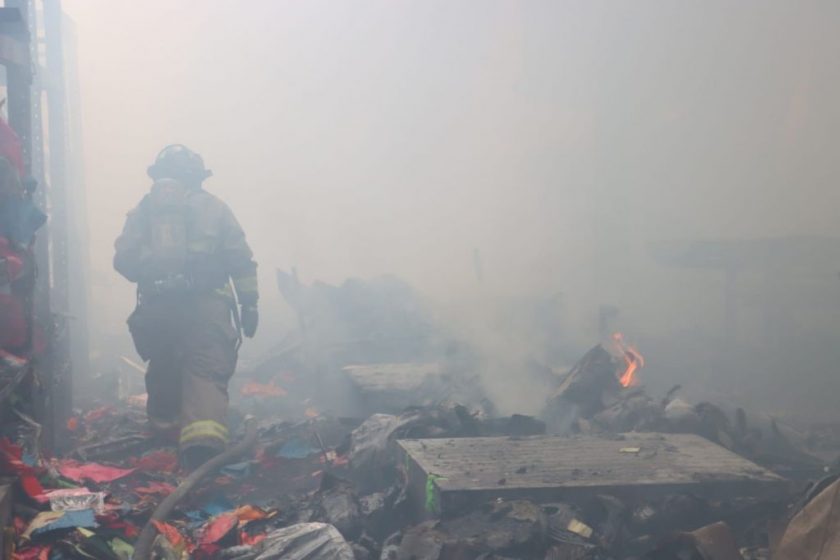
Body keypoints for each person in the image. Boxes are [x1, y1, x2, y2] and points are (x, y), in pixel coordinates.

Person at [114, 145, 258, 468]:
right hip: (206, 308)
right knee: (205, 371)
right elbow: (241, 260)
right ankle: (202, 448)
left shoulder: (145, 210)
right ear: (198, 176)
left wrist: (155, 270)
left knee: (164, 364)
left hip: (158, 307)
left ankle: (165, 433)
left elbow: (123, 260)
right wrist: (250, 303)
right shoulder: (216, 208)